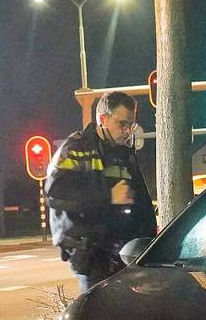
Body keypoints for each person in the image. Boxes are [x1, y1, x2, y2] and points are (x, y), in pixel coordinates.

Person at [45, 91, 156, 292]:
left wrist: (152, 243)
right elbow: (57, 194)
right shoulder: (76, 148)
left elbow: (141, 202)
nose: (127, 131)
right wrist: (108, 197)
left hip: (125, 253)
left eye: (131, 125)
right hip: (91, 254)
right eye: (122, 124)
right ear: (103, 119)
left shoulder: (125, 154)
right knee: (99, 315)